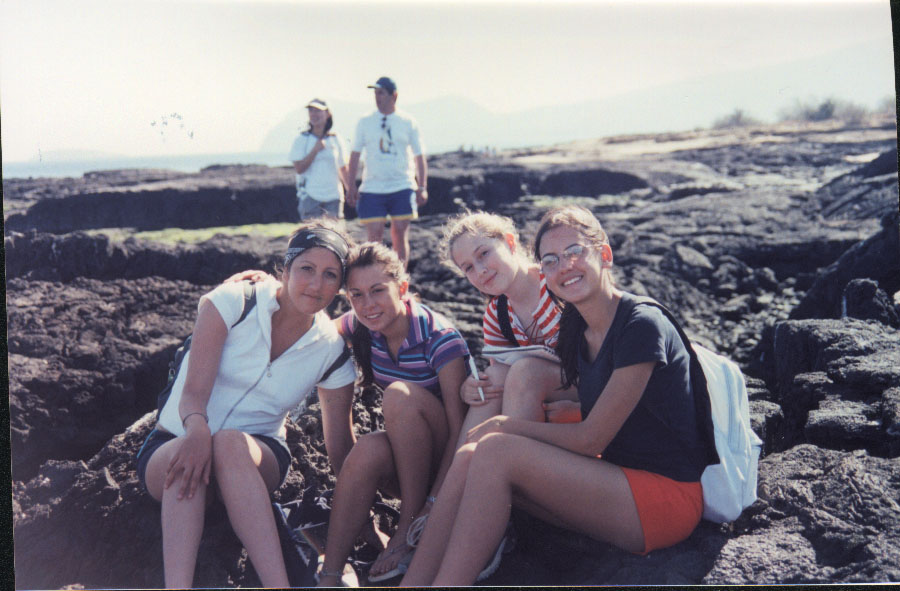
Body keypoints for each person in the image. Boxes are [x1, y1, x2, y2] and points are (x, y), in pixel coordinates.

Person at [400, 205, 714, 586]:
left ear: (605, 254)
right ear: (543, 271)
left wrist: (507, 426)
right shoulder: (580, 328)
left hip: (664, 499)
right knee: (470, 456)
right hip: (615, 475)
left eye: (574, 252)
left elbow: (591, 439)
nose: (565, 266)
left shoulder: (641, 325)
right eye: (551, 260)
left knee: (495, 449)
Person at [135, 220, 358, 588]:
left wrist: (364, 509)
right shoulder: (235, 301)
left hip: (256, 457)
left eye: (330, 274)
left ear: (340, 286)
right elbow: (193, 394)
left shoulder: (332, 350)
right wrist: (196, 432)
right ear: (285, 269)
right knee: (187, 455)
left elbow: (341, 450)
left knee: (229, 443)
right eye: (306, 268)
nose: (316, 284)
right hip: (178, 437)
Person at [316, 242, 468, 586]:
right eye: (356, 295)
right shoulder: (361, 325)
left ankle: (407, 527)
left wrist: (431, 504)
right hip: (411, 458)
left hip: (452, 468)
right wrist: (265, 286)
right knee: (368, 448)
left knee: (399, 395)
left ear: (402, 288)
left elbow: (461, 432)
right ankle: (331, 572)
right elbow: (312, 329)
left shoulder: (440, 339)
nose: (368, 305)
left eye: (378, 291)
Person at [346, 76, 427, 266]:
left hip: (402, 185)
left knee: (399, 233)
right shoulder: (365, 121)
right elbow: (355, 154)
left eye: (381, 93)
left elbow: (419, 156)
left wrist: (422, 186)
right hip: (372, 187)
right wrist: (351, 186)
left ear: (394, 96)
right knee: (374, 238)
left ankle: (401, 277)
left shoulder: (408, 122)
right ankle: (375, 276)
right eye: (375, 93)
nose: (377, 97)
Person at [288, 98, 352, 220]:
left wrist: (350, 190)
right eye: (311, 111)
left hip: (334, 197)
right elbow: (299, 169)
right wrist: (315, 151)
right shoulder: (301, 139)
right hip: (310, 197)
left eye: (318, 111)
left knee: (333, 231)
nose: (314, 114)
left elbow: (343, 168)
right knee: (312, 232)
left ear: (327, 114)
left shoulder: (336, 139)